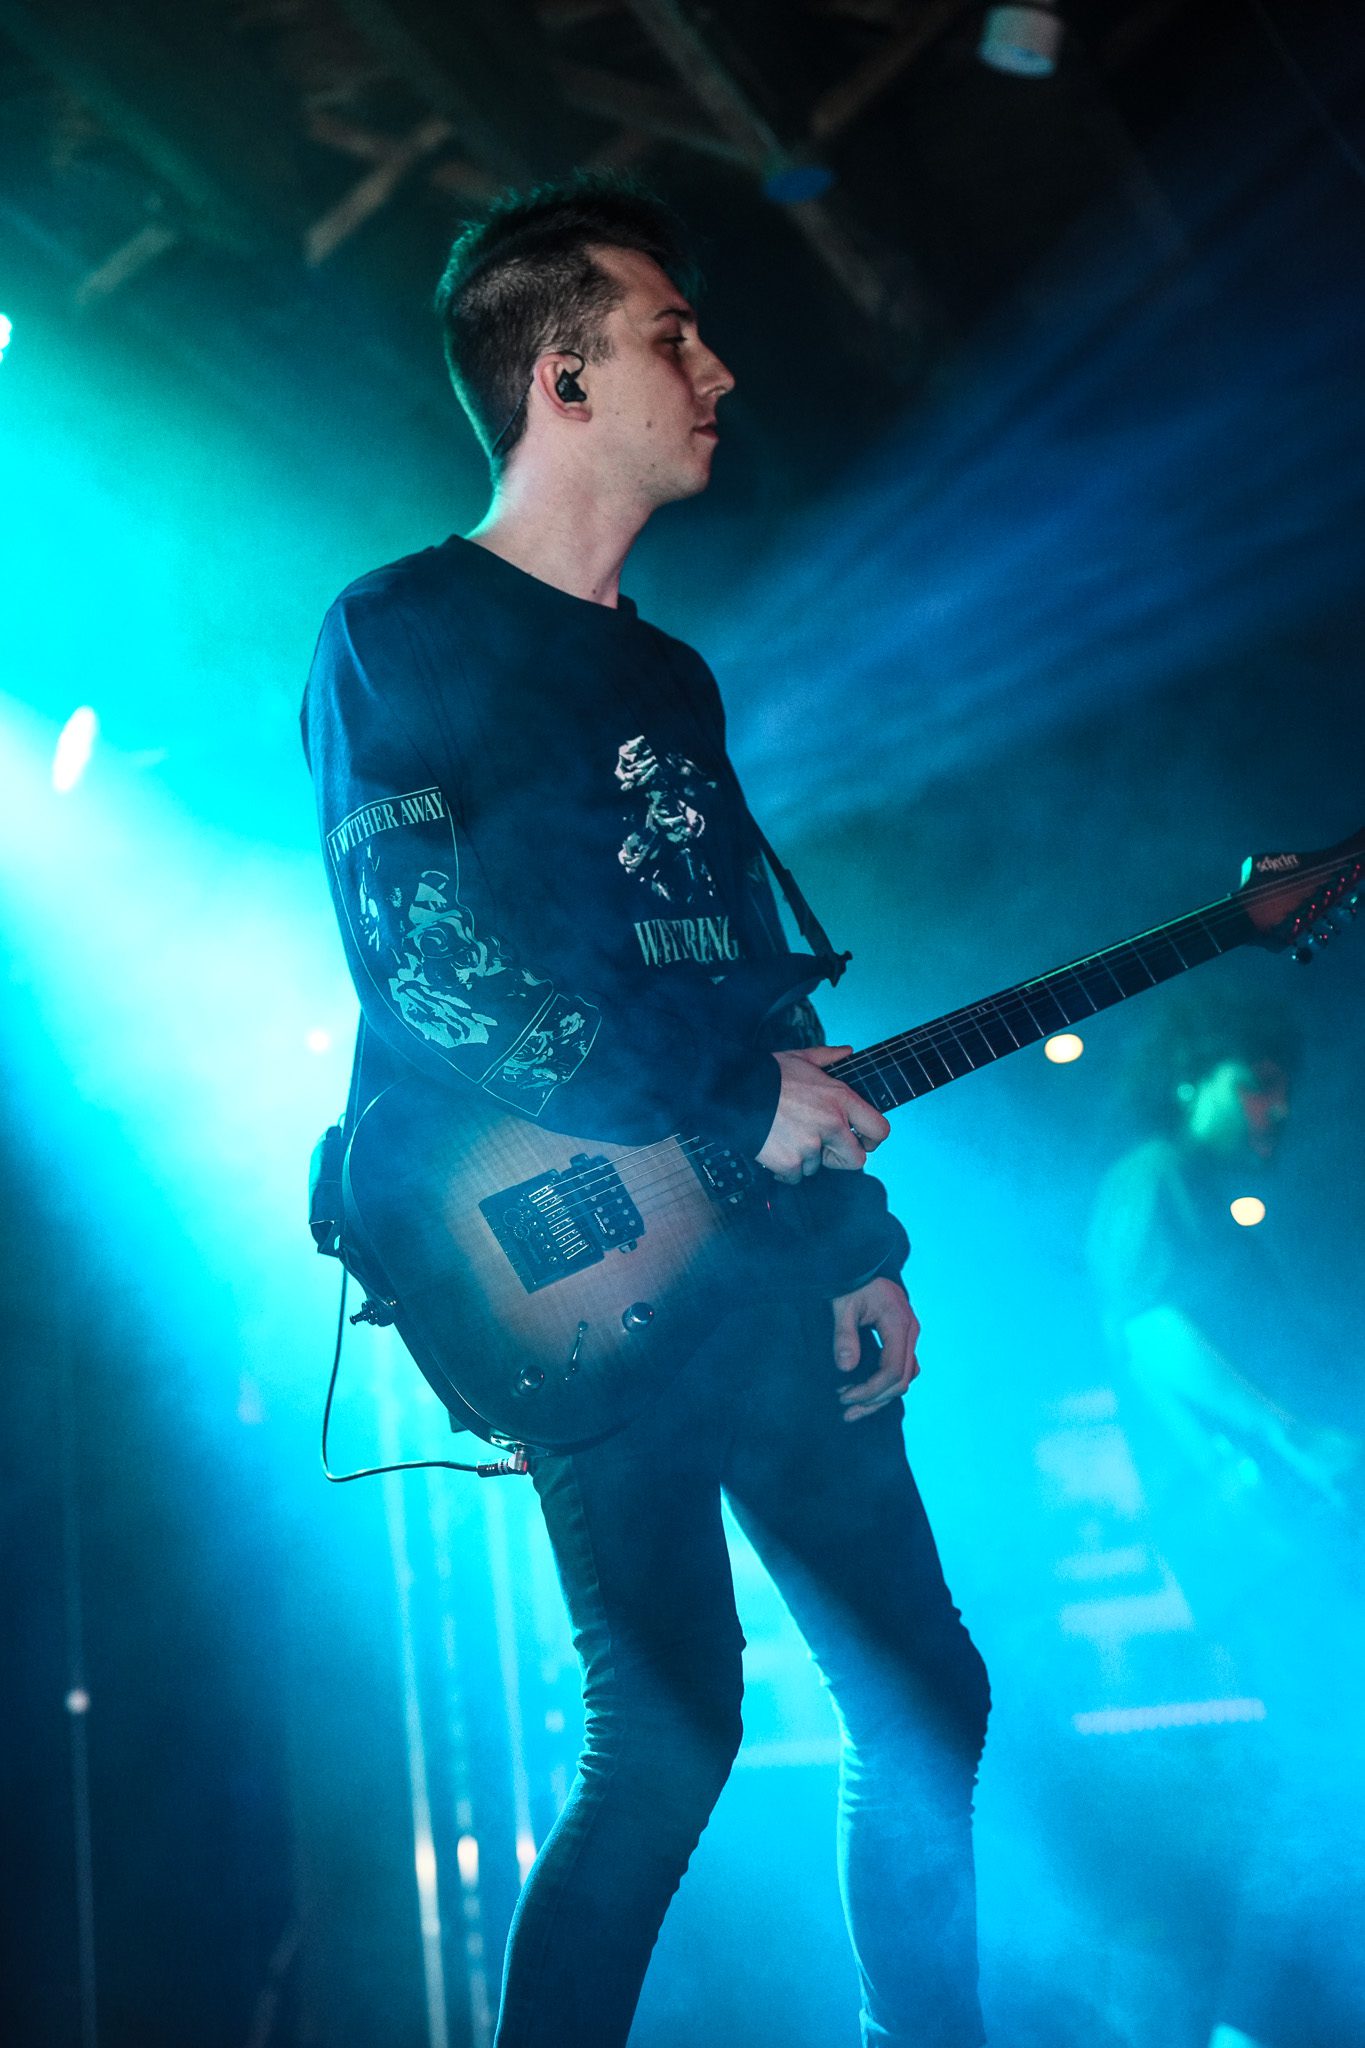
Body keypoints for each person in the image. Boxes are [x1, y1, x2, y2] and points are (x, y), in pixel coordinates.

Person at [303, 174, 989, 2048]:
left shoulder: (668, 672)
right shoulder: (402, 628)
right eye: (671, 334)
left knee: (929, 1693)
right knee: (675, 1729)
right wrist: (716, 1096)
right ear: (559, 379)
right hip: (576, 1269)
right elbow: (420, 963)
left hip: (773, 1244)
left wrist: (860, 1236)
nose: (721, 367)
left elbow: (751, 990)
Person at [1088, 993, 1363, 2048]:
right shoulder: (1153, 1178)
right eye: (1253, 1080)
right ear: (1188, 1080)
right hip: (1261, 1544)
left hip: (1278, 1541)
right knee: (1330, 1767)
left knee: (1333, 1770)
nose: (1275, 1105)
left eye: (1283, 1084)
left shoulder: (1196, 1193)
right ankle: (1251, 2023)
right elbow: (1155, 1331)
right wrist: (1301, 1440)